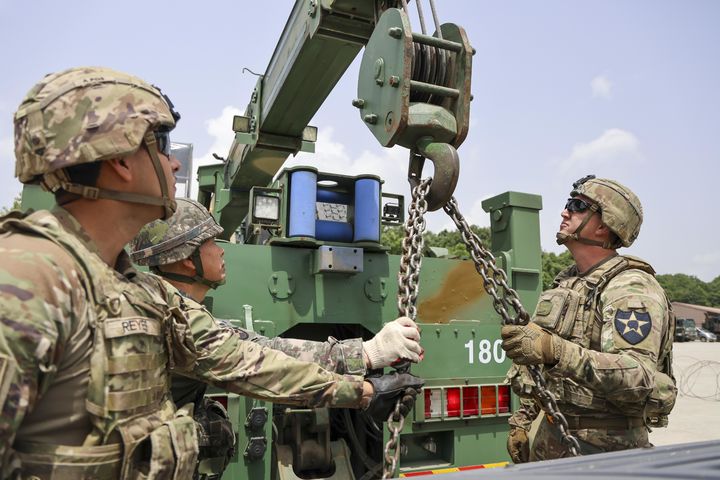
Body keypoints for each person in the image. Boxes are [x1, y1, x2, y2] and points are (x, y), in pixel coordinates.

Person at [0, 66, 422, 479]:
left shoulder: (141, 291)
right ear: (121, 163)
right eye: (162, 146)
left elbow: (249, 359)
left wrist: (365, 391)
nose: (174, 166)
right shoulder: (25, 279)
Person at [129, 197, 424, 477]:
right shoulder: (172, 315)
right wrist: (366, 392)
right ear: (187, 260)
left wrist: (369, 352)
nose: (221, 250)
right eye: (209, 243)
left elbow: (263, 348)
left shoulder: (168, 304)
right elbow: (262, 370)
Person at [502, 175, 676, 462]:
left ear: (606, 225)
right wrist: (523, 419)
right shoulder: (569, 283)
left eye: (578, 205)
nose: (565, 211)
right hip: (553, 441)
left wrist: (555, 350)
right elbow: (545, 374)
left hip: (608, 455)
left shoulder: (630, 287)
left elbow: (637, 376)